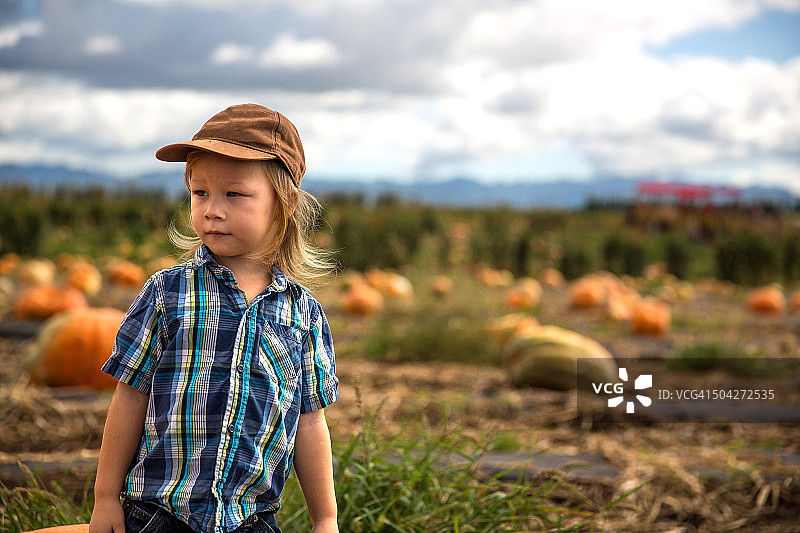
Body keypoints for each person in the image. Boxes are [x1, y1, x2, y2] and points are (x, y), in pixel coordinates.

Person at [89, 104, 339, 533]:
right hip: (158, 515)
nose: (211, 210)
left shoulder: (304, 316)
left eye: (233, 194)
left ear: (284, 204)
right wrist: (105, 498)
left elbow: (310, 421)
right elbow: (130, 397)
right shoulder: (168, 292)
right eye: (200, 193)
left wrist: (326, 518)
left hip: (250, 521)